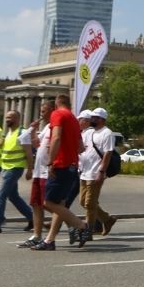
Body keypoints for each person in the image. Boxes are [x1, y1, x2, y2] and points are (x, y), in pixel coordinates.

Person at [32, 94, 91, 251]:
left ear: (57, 103)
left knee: (48, 202)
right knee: (59, 204)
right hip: (72, 166)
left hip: (61, 164)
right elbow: (80, 147)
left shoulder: (58, 114)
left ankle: (80, 225)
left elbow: (56, 137)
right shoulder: (73, 118)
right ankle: (50, 241)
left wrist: (51, 161)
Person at [0, 109, 33, 234]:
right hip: (5, 168)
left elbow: (28, 153)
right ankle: (33, 218)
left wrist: (29, 170)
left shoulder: (23, 133)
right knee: (13, 196)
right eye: (6, 117)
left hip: (15, 168)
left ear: (17, 119)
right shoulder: (8, 133)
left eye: (10, 117)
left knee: (0, 195)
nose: (7, 120)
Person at [19, 99, 53, 248]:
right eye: (41, 112)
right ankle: (37, 235)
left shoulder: (55, 127)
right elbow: (36, 144)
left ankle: (74, 223)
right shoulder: (46, 127)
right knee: (36, 204)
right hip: (39, 172)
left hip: (47, 171)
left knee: (50, 204)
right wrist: (33, 130)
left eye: (44, 111)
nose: (41, 114)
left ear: (53, 110)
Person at [79, 107, 117, 239]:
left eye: (94, 118)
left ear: (101, 119)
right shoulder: (89, 133)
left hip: (96, 172)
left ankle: (88, 232)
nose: (92, 119)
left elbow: (108, 153)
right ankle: (107, 219)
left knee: (89, 203)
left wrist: (101, 171)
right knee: (83, 202)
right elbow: (82, 148)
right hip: (84, 172)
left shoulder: (107, 133)